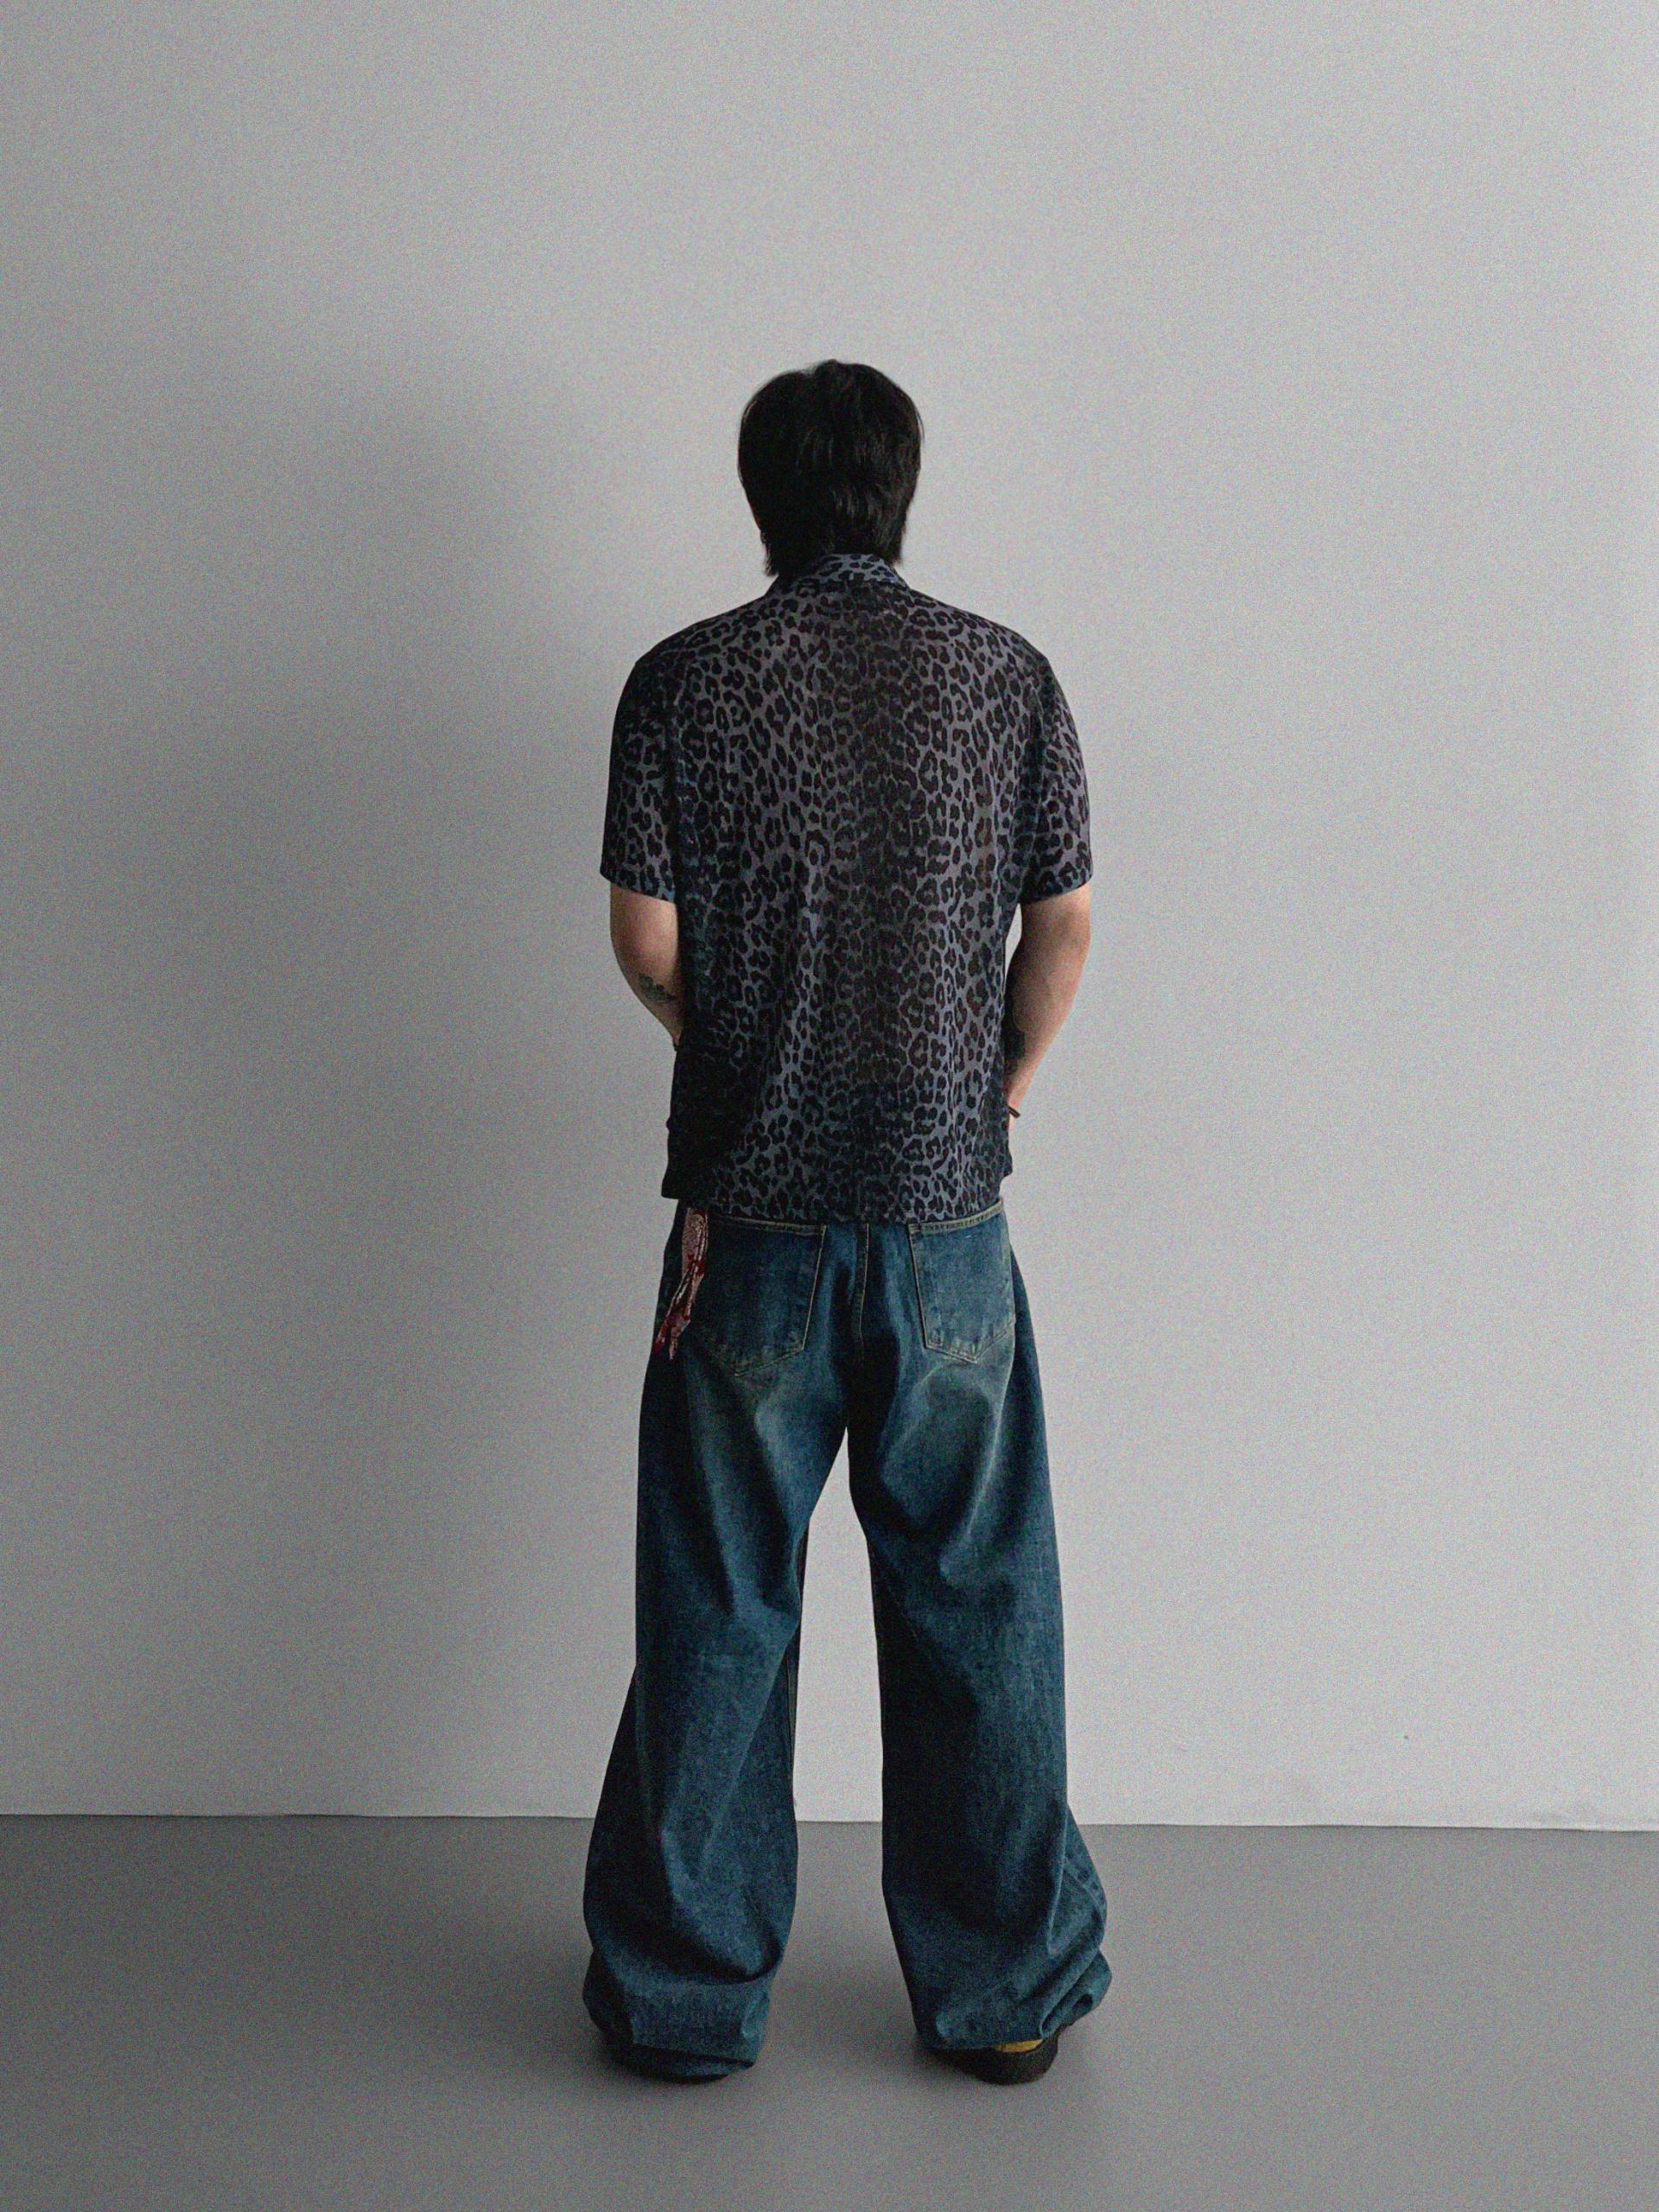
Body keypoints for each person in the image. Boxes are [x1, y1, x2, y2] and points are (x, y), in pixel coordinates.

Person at [582, 359, 1112, 2087]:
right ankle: (1007, 1990)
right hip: (948, 1216)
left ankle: (683, 1997)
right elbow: (1067, 922)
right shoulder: (1007, 676)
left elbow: (646, 940)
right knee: (976, 1597)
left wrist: (733, 1045)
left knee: (720, 1598)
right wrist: (997, 1085)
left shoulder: (681, 682)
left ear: (765, 496)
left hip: (751, 1220)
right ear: (902, 486)